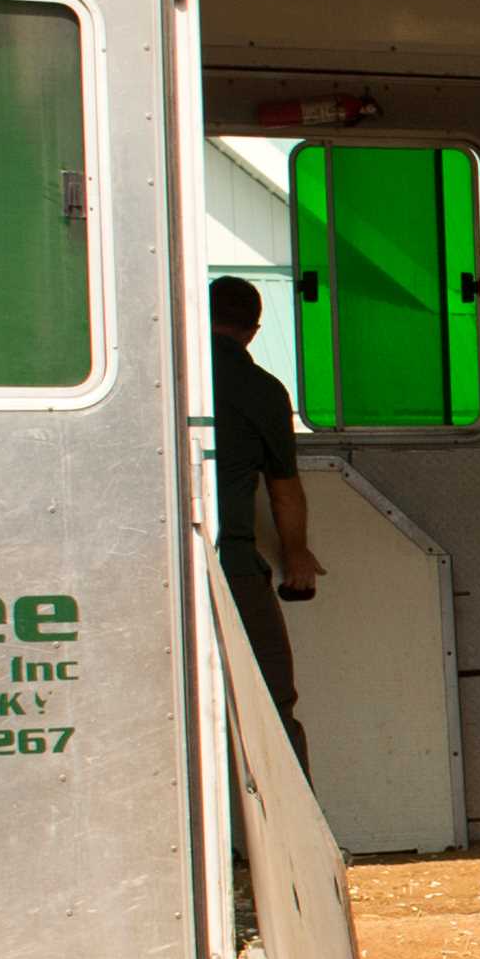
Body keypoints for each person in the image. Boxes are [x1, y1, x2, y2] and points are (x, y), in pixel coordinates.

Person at [208, 276, 320, 769]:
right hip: (231, 561)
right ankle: (295, 835)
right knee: (272, 699)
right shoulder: (263, 391)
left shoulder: (171, 376)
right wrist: (296, 553)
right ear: (253, 330)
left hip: (162, 561)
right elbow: (284, 487)